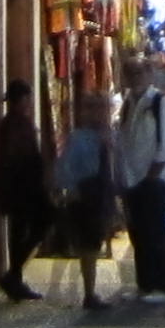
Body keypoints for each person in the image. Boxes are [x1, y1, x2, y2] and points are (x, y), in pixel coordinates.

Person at [114, 58, 165, 300]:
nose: (134, 77)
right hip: (131, 180)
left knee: (156, 232)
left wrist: (152, 175)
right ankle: (145, 284)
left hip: (152, 181)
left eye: (138, 72)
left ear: (148, 74)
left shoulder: (160, 103)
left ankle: (163, 286)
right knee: (138, 234)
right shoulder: (128, 103)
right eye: (130, 72)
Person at [50, 90, 120, 310]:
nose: (100, 113)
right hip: (88, 194)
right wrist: (71, 190)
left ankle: (91, 291)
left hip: (103, 192)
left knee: (95, 240)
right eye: (94, 108)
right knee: (89, 244)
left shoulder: (110, 136)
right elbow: (65, 168)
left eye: (103, 108)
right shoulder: (79, 138)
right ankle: (89, 294)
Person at [0, 82, 53, 302]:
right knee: (38, 223)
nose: (29, 102)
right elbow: (16, 157)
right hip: (22, 188)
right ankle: (13, 275)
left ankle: (14, 277)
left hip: (21, 187)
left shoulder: (15, 123)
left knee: (22, 231)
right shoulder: (14, 124)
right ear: (21, 100)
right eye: (27, 98)